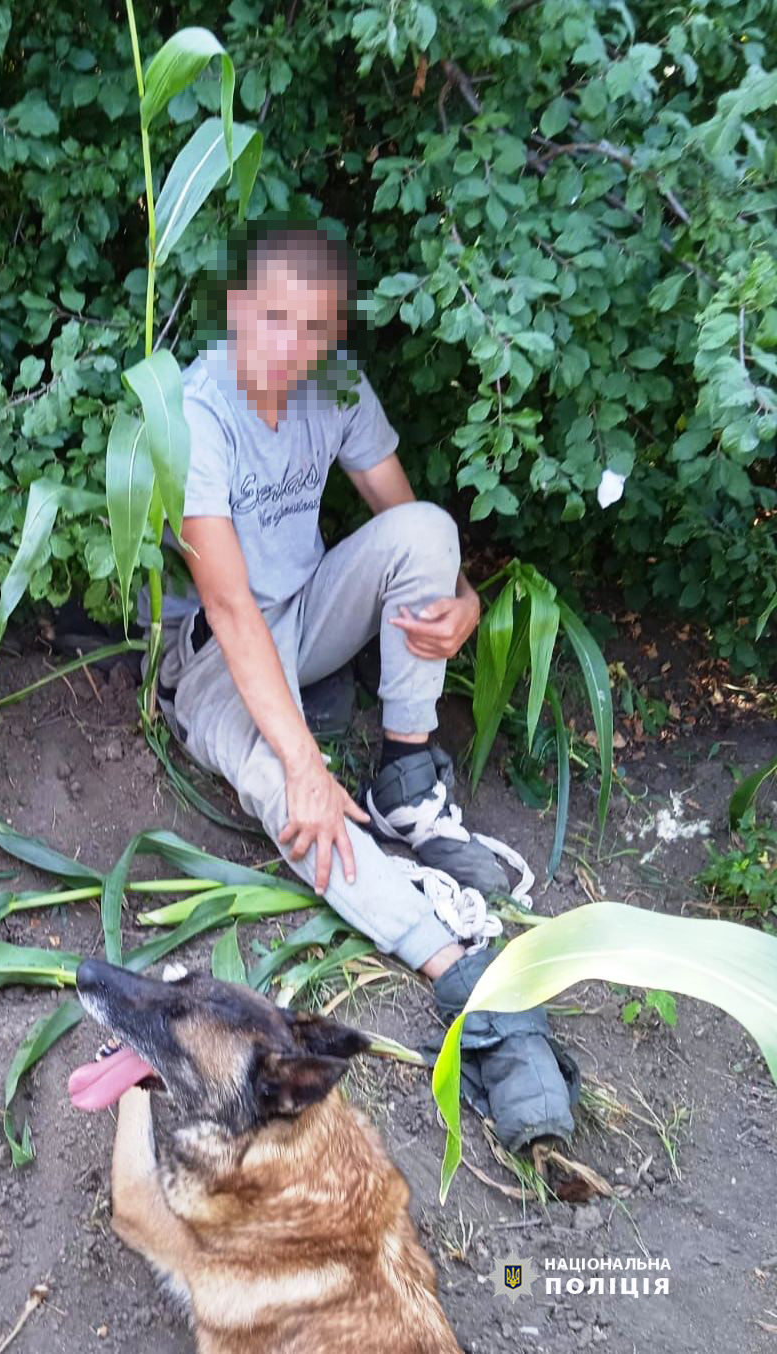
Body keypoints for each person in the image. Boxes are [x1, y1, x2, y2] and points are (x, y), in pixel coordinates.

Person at [154, 224, 579, 1151]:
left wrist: (460, 598)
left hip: (305, 618)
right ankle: (461, 973)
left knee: (429, 532)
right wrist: (304, 765)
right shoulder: (194, 413)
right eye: (271, 320)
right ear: (236, 311)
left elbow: (407, 523)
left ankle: (409, 782)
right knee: (285, 790)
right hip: (218, 657)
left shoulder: (335, 386)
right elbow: (229, 610)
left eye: (313, 329)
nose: (290, 348)